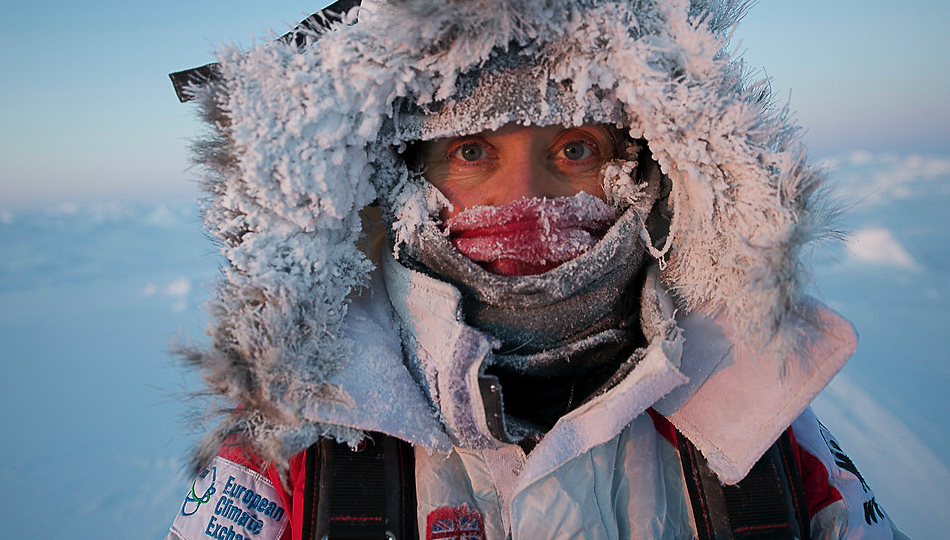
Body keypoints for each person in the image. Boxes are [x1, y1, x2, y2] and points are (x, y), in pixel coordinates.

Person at [165, 0, 908, 538]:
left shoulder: (753, 414)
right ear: (397, 183)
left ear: (646, 171)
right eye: (472, 152)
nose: (524, 200)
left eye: (575, 149)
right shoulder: (291, 440)